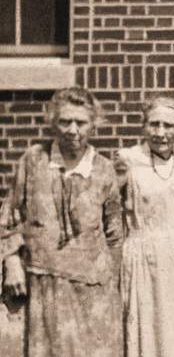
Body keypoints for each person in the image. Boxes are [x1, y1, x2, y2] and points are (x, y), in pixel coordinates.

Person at [0, 88, 124, 357]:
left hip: (94, 289)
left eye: (81, 122)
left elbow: (115, 234)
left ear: (93, 125)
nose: (72, 129)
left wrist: (109, 282)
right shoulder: (33, 161)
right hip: (47, 285)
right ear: (53, 122)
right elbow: (9, 217)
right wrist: (11, 264)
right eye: (65, 121)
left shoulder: (103, 169)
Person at [118, 97, 174, 356]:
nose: (160, 133)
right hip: (144, 256)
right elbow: (110, 207)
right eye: (154, 124)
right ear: (143, 126)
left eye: (169, 126)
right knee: (149, 329)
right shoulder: (128, 160)